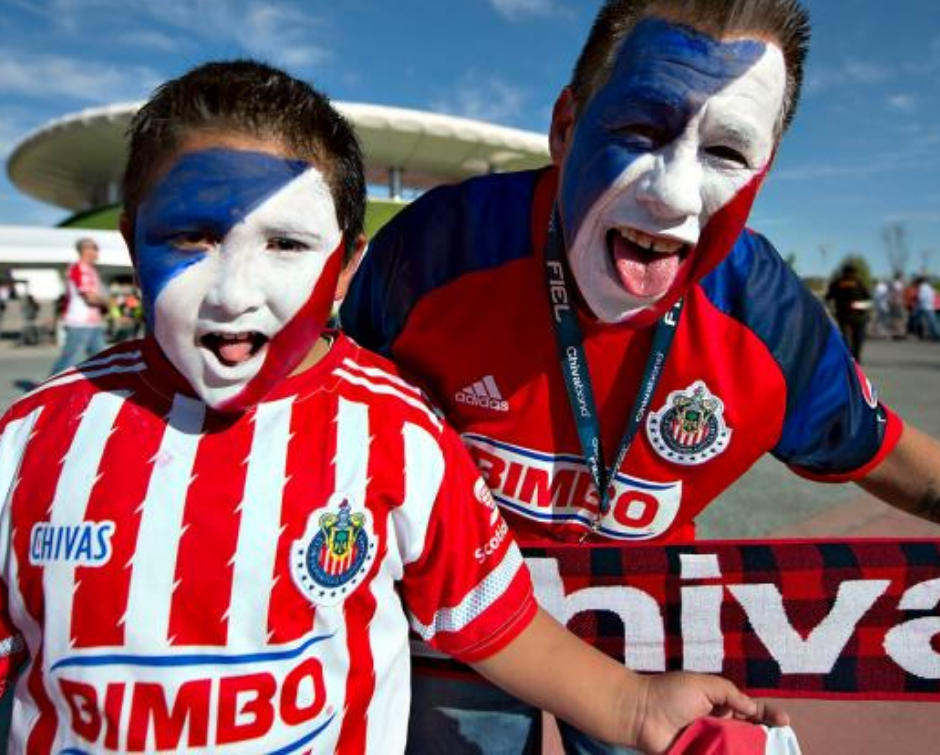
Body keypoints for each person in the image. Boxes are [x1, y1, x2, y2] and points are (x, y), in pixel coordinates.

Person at [0, 60, 785, 755]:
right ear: (134, 240)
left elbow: (488, 621)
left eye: (286, 245)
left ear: (346, 267)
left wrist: (639, 704)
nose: (235, 292)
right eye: (195, 238)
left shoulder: (399, 433)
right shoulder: (26, 443)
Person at [341, 0, 940, 751]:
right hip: (457, 627)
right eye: (639, 132)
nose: (673, 196)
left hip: (645, 629)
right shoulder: (436, 251)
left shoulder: (767, 314)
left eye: (726, 151)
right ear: (566, 127)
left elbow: (892, 456)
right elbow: (331, 426)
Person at [49, 237, 108, 374]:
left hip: (92, 322)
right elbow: (89, 298)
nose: (97, 252)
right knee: (68, 359)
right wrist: (108, 303)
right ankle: (48, 389)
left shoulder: (90, 269)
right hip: (79, 321)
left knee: (100, 358)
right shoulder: (80, 268)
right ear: (85, 250)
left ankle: (102, 387)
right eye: (95, 248)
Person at [825, 263, 871, 361]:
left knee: (851, 339)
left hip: (850, 316)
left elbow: (828, 297)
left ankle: (852, 358)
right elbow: (869, 300)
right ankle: (853, 358)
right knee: (854, 339)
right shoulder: (858, 283)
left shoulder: (839, 283)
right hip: (853, 316)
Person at [912, 276, 940, 341]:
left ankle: (936, 335)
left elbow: (921, 297)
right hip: (930, 306)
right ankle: (934, 335)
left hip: (924, 307)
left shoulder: (922, 288)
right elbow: (934, 294)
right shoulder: (929, 287)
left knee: (918, 320)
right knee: (933, 322)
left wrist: (915, 298)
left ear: (919, 282)